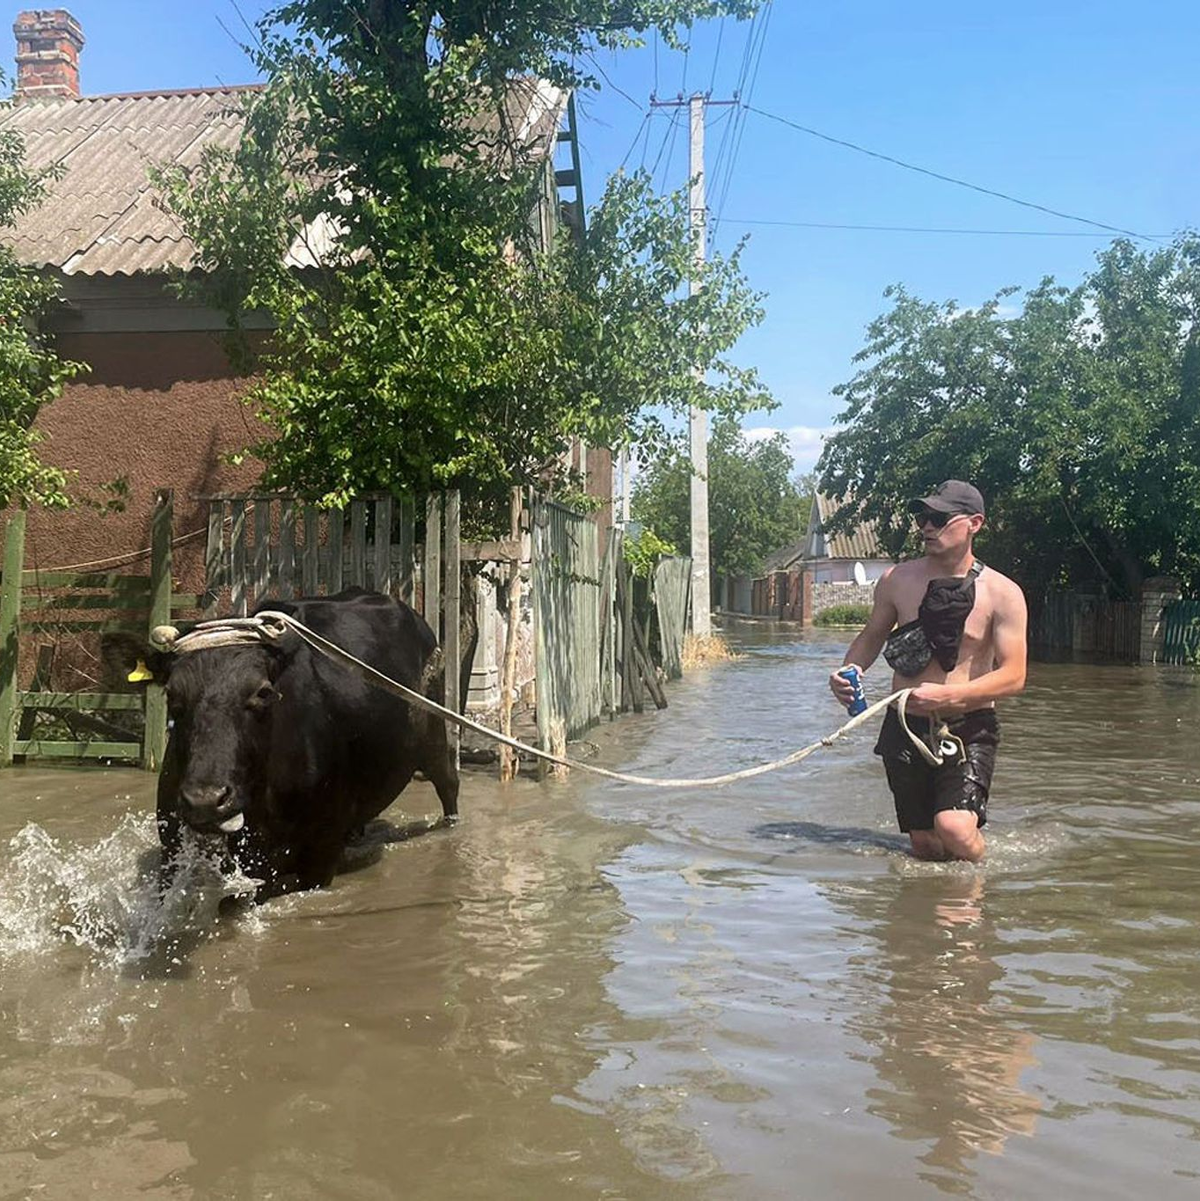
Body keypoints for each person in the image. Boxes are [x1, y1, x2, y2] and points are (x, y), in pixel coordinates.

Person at [828, 480, 1027, 862]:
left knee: (954, 828)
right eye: (922, 518)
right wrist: (848, 670)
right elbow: (871, 637)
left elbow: (1014, 675)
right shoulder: (895, 580)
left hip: (969, 727)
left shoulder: (1003, 593)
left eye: (938, 518)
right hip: (903, 726)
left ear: (975, 523)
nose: (926, 527)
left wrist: (951, 695)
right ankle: (927, 915)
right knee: (924, 843)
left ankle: (979, 894)